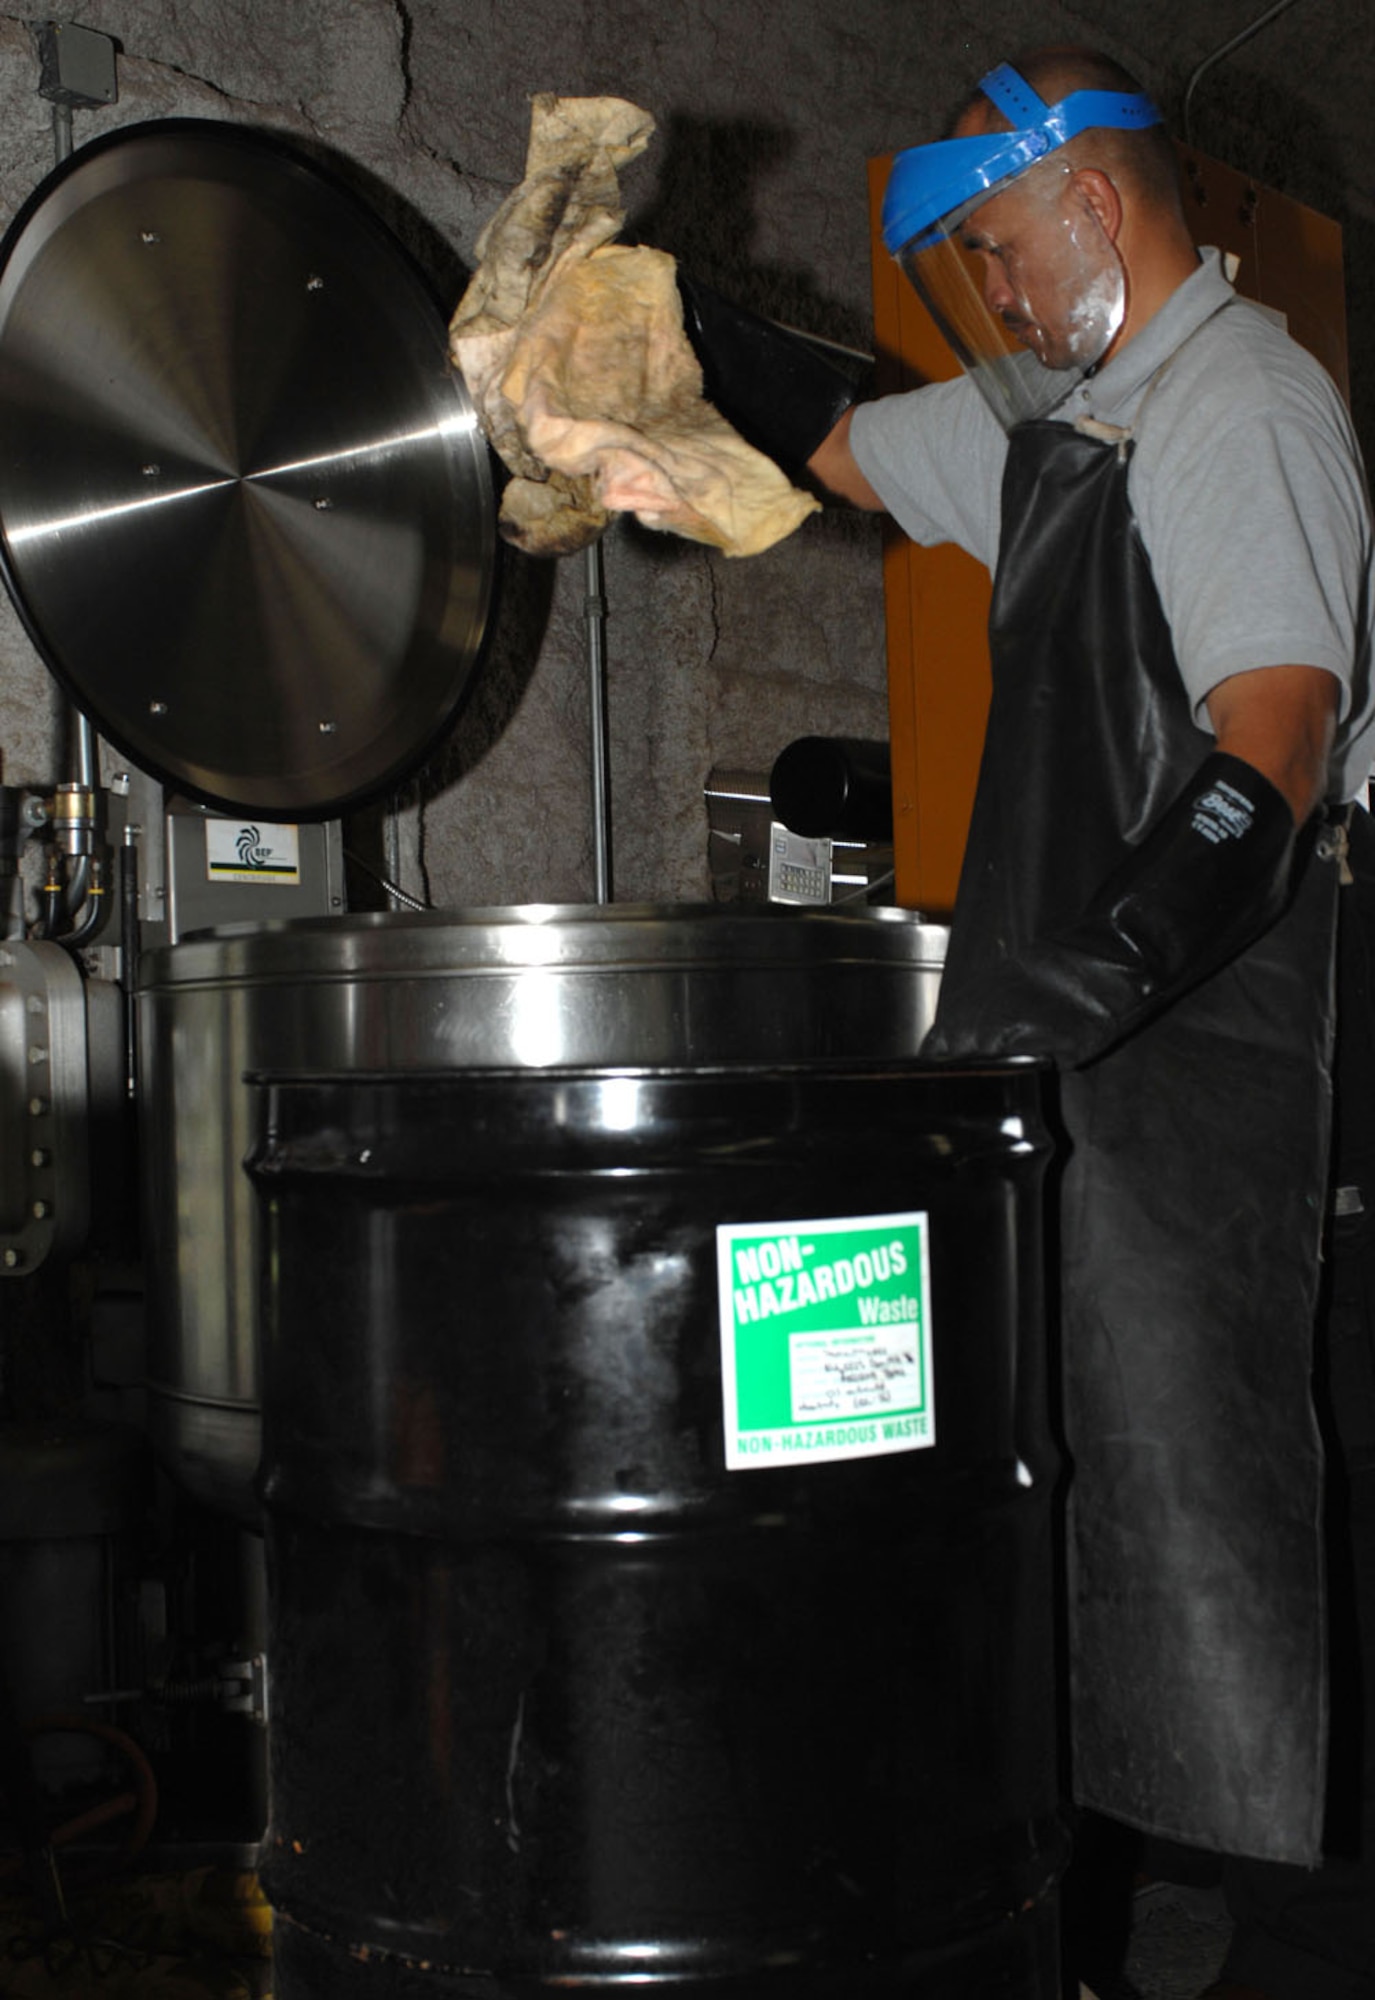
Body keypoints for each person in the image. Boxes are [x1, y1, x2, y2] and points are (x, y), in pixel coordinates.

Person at [688, 43, 1375, 2000]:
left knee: (1262, 1491)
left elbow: (1269, 753)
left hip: (1284, 1034)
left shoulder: (1241, 411)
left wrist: (1058, 1000)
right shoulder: (1070, 431)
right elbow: (848, 441)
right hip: (1144, 1028)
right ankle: (1142, 1896)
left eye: (994, 249)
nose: (988, 297)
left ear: (1093, 198)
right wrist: (666, 328)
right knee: (1116, 1465)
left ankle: (1313, 1935)